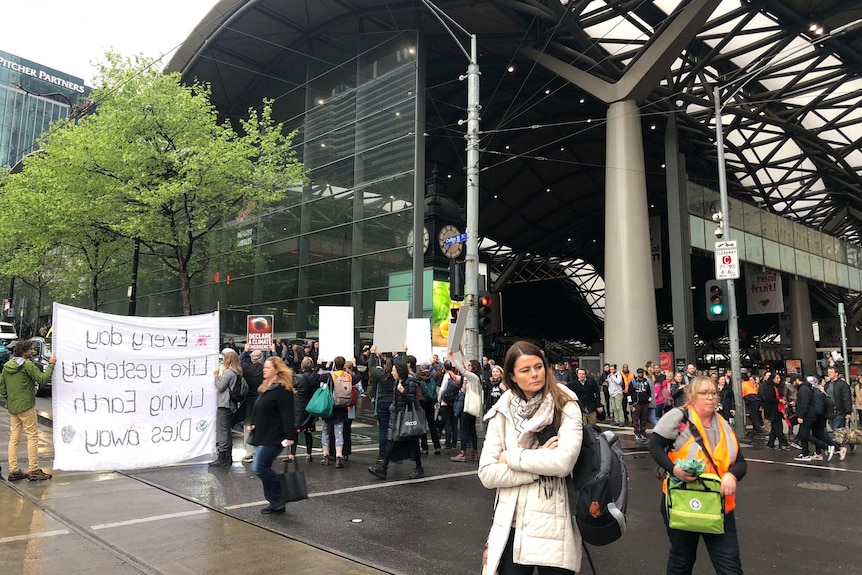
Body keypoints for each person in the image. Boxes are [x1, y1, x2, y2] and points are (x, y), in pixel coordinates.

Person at [478, 340, 584, 575]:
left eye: (539, 367)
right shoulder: (502, 409)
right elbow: (487, 473)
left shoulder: (565, 404)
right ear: (512, 377)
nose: (535, 374)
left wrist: (513, 457)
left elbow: (563, 462)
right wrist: (539, 462)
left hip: (554, 524)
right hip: (511, 524)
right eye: (526, 370)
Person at [649, 375, 747, 575]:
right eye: (704, 393)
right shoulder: (679, 417)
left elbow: (740, 463)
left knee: (729, 565)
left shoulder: (724, 425)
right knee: (682, 560)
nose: (710, 397)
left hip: (717, 504)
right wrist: (674, 469)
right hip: (682, 500)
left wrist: (732, 476)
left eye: (713, 393)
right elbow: (655, 446)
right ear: (692, 396)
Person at [0, 340, 57, 481]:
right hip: (26, 406)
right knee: (33, 437)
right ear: (23, 351)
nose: (33, 351)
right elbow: (42, 380)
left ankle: (13, 470)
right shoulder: (27, 365)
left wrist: (9, 397)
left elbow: (1, 386)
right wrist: (51, 364)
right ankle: (34, 469)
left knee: (14, 438)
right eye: (31, 349)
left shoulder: (7, 366)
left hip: (13, 407)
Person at [246, 356, 296, 514]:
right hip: (263, 434)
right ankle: (275, 502)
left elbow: (288, 414)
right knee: (263, 467)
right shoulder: (265, 387)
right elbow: (259, 408)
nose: (264, 369)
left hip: (275, 436)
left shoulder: (282, 389)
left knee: (259, 467)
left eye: (267, 367)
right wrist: (253, 422)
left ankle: (278, 494)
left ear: (276, 370)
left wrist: (290, 436)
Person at [368, 360, 424, 480]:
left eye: (394, 370)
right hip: (397, 416)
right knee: (392, 441)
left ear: (399, 371)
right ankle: (383, 468)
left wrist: (403, 392)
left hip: (406, 417)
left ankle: (418, 468)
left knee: (412, 442)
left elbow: (411, 400)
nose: (392, 372)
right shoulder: (398, 381)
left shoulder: (410, 381)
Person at [210, 348, 243, 468]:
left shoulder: (228, 373)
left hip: (225, 404)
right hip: (232, 405)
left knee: (222, 431)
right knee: (227, 431)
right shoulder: (237, 372)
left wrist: (216, 377)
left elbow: (220, 387)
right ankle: (228, 457)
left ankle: (222, 457)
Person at [449, 346, 482, 462]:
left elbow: (462, 370)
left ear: (473, 368)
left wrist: (453, 356)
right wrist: (462, 353)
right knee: (472, 429)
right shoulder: (475, 377)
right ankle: (474, 452)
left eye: (470, 365)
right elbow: (466, 364)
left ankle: (463, 453)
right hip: (471, 406)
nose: (467, 366)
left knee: (463, 429)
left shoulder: (473, 377)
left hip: (467, 406)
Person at [238, 345, 265, 463]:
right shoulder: (266, 369)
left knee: (248, 427)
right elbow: (279, 363)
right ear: (261, 358)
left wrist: (245, 350)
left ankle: (249, 453)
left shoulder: (246, 368)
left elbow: (237, 361)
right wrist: (274, 351)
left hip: (249, 401)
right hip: (263, 400)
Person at [290, 357, 318, 461]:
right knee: (308, 432)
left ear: (302, 366)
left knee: (295, 432)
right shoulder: (315, 377)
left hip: (299, 407)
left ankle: (293, 454)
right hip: (311, 407)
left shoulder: (297, 378)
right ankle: (309, 454)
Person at [763, 372, 790, 450]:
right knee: (778, 427)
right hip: (773, 410)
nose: (779, 380)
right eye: (777, 378)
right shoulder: (770, 387)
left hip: (777, 409)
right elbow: (769, 399)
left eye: (779, 378)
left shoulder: (777, 387)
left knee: (775, 428)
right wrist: (779, 401)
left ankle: (770, 443)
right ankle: (783, 443)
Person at [438, 361, 461, 451]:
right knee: (454, 423)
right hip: (454, 402)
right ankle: (454, 443)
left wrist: (439, 399)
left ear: (444, 367)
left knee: (447, 423)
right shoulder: (457, 377)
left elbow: (443, 389)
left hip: (446, 402)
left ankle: (448, 443)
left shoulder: (447, 376)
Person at [628, 368, 653, 441]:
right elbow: (629, 393)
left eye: (642, 373)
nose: (640, 374)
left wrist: (649, 400)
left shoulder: (646, 382)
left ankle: (643, 433)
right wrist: (630, 403)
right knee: (635, 419)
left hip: (644, 403)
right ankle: (637, 433)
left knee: (643, 419)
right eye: (639, 373)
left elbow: (649, 392)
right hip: (636, 403)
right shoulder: (633, 382)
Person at [741, 370, 763, 436]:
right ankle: (757, 429)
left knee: (753, 416)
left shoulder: (743, 384)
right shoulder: (749, 383)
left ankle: (758, 431)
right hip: (756, 399)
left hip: (751, 401)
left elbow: (742, 394)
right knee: (755, 415)